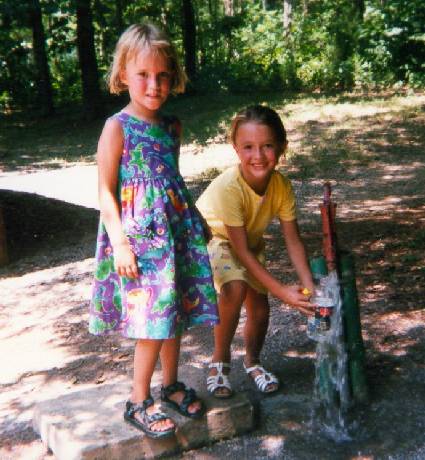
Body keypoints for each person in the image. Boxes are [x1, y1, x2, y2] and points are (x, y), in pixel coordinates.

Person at [89, 23, 219, 438]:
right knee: (151, 321)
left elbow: (171, 181)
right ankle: (137, 399)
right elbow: (106, 192)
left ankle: (170, 385)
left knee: (174, 313)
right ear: (124, 73)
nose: (154, 84)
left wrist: (195, 220)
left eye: (163, 75)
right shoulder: (118, 127)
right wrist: (120, 243)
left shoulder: (172, 127)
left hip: (174, 236)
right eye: (144, 74)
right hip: (139, 245)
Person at [196, 105, 315, 398]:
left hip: (247, 243)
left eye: (267, 146)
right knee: (234, 287)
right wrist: (282, 291)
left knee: (260, 309)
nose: (258, 156)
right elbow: (239, 252)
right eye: (248, 147)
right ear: (236, 149)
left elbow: (293, 241)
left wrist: (309, 287)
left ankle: (252, 362)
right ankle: (219, 362)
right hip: (214, 240)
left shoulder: (281, 186)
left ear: (282, 147)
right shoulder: (230, 187)